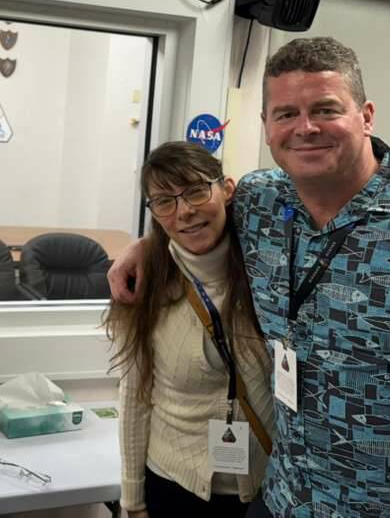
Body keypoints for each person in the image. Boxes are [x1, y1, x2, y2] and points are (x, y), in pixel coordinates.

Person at [109, 37, 390, 518]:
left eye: (325, 109)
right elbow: (191, 216)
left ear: (366, 116)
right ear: (267, 127)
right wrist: (144, 249)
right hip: (286, 498)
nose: (305, 128)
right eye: (286, 114)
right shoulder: (260, 200)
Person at [106, 141, 273, 517]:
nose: (184, 211)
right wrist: (133, 500)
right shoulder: (144, 284)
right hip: (174, 486)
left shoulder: (269, 271)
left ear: (226, 189)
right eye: (164, 201)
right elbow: (135, 397)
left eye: (197, 191)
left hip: (268, 487)